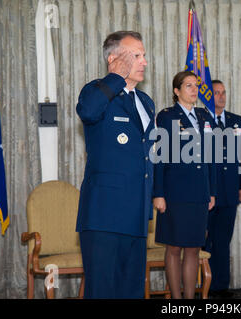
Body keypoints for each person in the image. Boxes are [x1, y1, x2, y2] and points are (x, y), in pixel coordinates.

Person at [75, 31, 155, 298]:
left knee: (132, 292)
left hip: (137, 215)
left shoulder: (146, 102)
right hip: (104, 216)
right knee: (103, 292)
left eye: (144, 55)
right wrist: (115, 77)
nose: (144, 61)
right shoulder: (95, 91)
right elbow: (87, 111)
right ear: (113, 59)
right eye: (136, 55)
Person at [153, 70, 216, 299]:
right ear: (176, 91)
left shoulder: (204, 116)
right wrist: (158, 193)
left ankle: (190, 300)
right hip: (174, 192)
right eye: (188, 86)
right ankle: (176, 300)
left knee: (193, 248)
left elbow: (211, 157)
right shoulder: (167, 116)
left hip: (199, 191)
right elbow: (159, 156)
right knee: (174, 248)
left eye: (196, 85)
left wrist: (212, 191)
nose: (194, 90)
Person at [204, 80, 241, 298]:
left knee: (223, 241)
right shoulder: (200, 120)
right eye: (216, 93)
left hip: (230, 191)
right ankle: (201, 286)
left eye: (224, 93)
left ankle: (220, 286)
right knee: (204, 241)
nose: (221, 97)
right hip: (206, 193)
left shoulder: (236, 121)